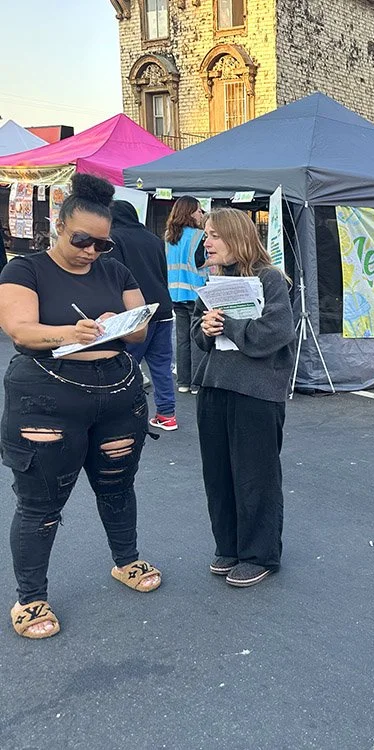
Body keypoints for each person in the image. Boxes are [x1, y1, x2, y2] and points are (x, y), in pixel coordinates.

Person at [0, 174, 161, 640]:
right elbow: (20, 330)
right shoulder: (24, 270)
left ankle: (125, 561)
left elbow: (139, 331)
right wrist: (71, 332)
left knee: (117, 486)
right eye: (82, 240)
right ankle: (31, 598)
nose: (91, 251)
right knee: (40, 504)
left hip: (116, 393)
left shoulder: (116, 271)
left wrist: (118, 323)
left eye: (101, 244)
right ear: (59, 225)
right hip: (47, 399)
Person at [192, 208, 296, 588]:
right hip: (215, 385)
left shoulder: (270, 278)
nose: (207, 241)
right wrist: (205, 327)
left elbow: (275, 332)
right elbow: (197, 336)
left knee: (256, 476)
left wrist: (231, 326)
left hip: (256, 391)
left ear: (237, 237)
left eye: (215, 234)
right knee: (218, 474)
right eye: (206, 234)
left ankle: (259, 553)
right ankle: (229, 545)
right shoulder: (214, 279)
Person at [109, 200, 177, 430]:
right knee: (161, 365)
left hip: (135, 312)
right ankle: (167, 414)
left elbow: (115, 276)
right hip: (163, 308)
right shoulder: (154, 239)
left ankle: (122, 413)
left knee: (125, 363)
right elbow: (162, 273)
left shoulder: (114, 239)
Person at [165, 196, 207, 395]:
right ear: (190, 212)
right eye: (199, 210)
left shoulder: (169, 237)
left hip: (175, 293)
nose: (201, 214)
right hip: (196, 293)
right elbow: (199, 262)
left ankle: (183, 381)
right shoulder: (199, 236)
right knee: (198, 337)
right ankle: (197, 383)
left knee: (182, 339)